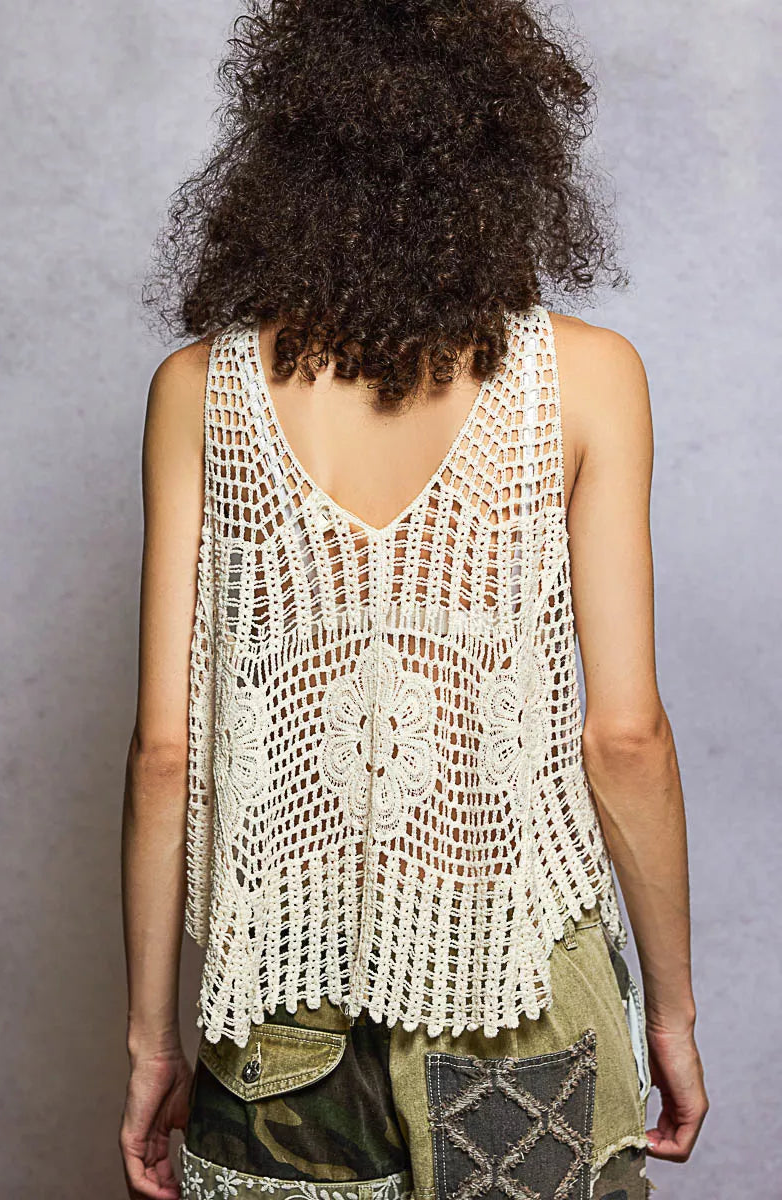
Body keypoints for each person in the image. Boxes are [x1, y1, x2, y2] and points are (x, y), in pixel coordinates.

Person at [120, 2, 708, 1198]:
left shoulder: (198, 389)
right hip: (521, 991)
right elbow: (624, 737)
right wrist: (671, 1012)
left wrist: (150, 1044)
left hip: (280, 1001)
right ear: (507, 154)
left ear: (282, 154)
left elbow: (166, 754)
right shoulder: (587, 378)